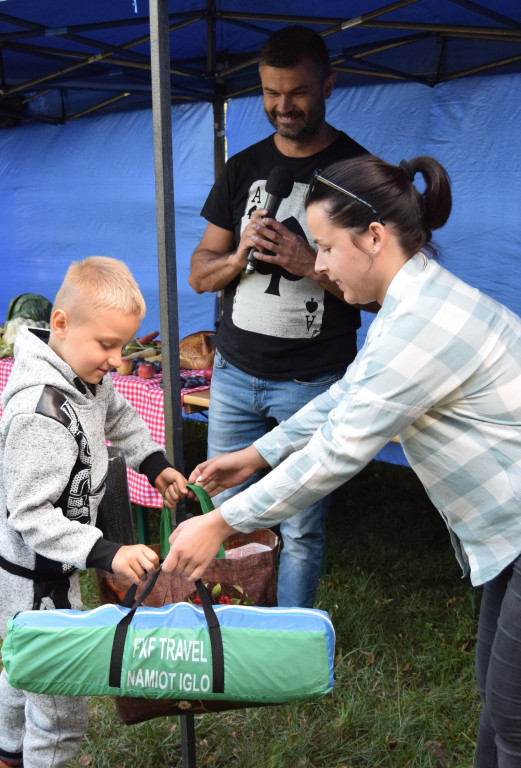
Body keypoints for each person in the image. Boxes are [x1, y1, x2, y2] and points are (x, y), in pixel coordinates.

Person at [166, 152, 521, 767]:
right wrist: (255, 453)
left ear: (375, 237)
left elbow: (337, 453)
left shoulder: (421, 322)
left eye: (326, 246)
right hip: (508, 537)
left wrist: (222, 522)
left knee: (515, 720)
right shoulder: (408, 303)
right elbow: (349, 391)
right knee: (499, 700)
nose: (319, 265)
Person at [189, 25, 372, 607]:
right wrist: (240, 254)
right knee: (223, 510)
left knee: (299, 524)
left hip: (313, 382)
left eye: (296, 92)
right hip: (234, 375)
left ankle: (288, 642)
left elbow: (380, 297)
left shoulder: (358, 173)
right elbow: (199, 272)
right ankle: (227, 633)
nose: (281, 106)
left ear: (328, 86)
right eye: (270, 92)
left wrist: (306, 262)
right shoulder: (243, 167)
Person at [0, 256, 188, 768]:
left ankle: (8, 754)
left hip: (54, 571)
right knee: (60, 708)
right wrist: (104, 551)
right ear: (60, 324)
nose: (117, 359)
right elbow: (31, 516)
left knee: (23, 669)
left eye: (123, 346)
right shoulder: (40, 413)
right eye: (106, 345)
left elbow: (119, 413)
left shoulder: (86, 379)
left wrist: (154, 463)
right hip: (36, 582)